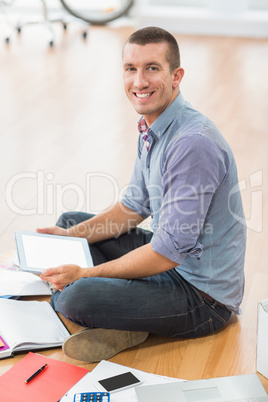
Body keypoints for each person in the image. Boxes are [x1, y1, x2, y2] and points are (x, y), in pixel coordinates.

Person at [38, 26, 246, 363]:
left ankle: (126, 318)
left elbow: (167, 253)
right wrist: (69, 238)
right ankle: (129, 317)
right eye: (130, 69)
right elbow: (133, 207)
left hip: (202, 299)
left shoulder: (192, 143)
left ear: (176, 76)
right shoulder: (154, 126)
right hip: (170, 264)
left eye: (152, 68)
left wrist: (84, 274)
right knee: (70, 225)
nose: (139, 82)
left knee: (74, 298)